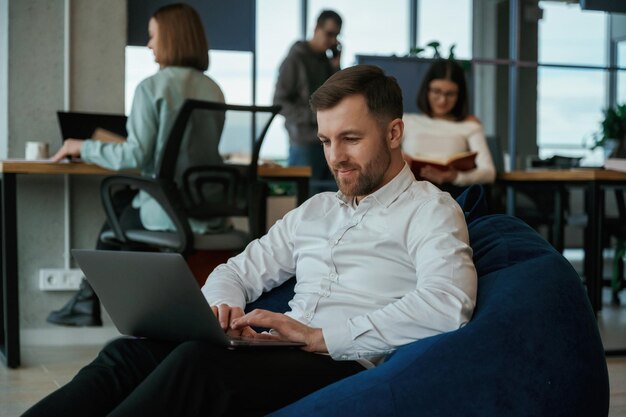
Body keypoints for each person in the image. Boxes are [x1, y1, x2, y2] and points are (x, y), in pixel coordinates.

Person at [23, 65, 477, 417]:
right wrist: (223, 308)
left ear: (394, 132)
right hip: (281, 349)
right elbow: (235, 270)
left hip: (341, 363)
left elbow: (447, 304)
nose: (335, 157)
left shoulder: (431, 210)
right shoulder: (316, 210)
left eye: (351, 139)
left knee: (197, 366)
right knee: (129, 352)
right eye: (325, 141)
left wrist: (320, 336)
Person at [47, 3, 225, 327]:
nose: (149, 45)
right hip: (206, 208)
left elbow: (134, 157)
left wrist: (82, 146)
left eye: (153, 36)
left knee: (117, 213)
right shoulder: (215, 89)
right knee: (120, 211)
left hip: (167, 209)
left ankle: (97, 304)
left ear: (171, 38)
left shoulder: (151, 87)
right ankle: (93, 302)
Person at [402, 58, 496, 198]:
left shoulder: (469, 125)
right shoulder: (407, 121)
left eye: (450, 94)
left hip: (450, 194)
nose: (442, 100)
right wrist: (398, 159)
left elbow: (489, 173)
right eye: (436, 91)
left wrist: (454, 177)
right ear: (427, 90)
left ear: (460, 95)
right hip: (410, 193)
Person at [273, 10, 342, 195]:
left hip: (327, 140)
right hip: (303, 141)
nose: (332, 40)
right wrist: (314, 116)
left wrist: (336, 66)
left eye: (336, 36)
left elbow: (338, 95)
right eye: (329, 34)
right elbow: (279, 102)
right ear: (316, 28)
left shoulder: (328, 63)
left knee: (332, 201)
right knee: (304, 203)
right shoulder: (294, 60)